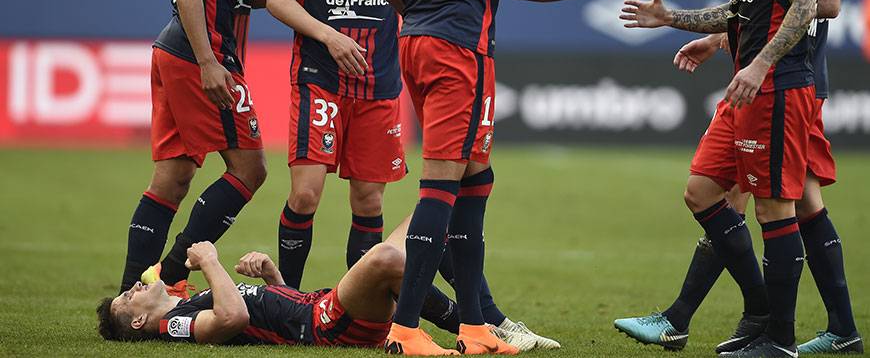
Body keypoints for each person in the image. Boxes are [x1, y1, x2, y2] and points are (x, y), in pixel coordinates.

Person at [364, 0, 633, 354]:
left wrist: (412, 12)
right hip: (461, 50)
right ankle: (406, 329)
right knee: (441, 186)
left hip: (416, 42)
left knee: (474, 179)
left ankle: (474, 327)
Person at [614, 0, 862, 356]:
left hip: (778, 83)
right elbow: (743, 11)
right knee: (706, 191)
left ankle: (775, 335)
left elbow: (816, 3)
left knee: (775, 206)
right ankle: (793, 320)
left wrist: (761, 60)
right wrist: (678, 21)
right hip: (754, 81)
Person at [116, 0, 273, 299]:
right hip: (197, 57)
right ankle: (168, 276)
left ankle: (130, 295)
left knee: (173, 177)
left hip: (178, 52)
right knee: (251, 168)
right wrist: (208, 62)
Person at [265, 0, 404, 290]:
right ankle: (284, 299)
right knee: (305, 194)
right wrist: (330, 37)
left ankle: (352, 307)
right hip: (319, 78)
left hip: (378, 83)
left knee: (368, 200)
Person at [96, 216, 559, 350]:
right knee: (387, 258)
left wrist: (271, 276)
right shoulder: (171, 326)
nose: (135, 287)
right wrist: (212, 260)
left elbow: (262, 310)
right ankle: (473, 327)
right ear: (138, 322)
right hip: (321, 325)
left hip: (316, 309)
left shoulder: (181, 310)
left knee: (430, 214)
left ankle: (487, 321)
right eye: (128, 298)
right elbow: (234, 318)